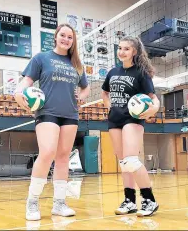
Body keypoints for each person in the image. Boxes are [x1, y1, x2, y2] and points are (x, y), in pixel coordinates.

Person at [14, 23, 90, 221]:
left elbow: (85, 89)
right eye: (63, 35)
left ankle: (59, 203)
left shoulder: (77, 65)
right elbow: (26, 81)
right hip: (47, 111)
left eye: (70, 37)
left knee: (64, 157)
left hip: (71, 114)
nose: (66, 39)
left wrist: (81, 96)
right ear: (55, 37)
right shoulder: (42, 58)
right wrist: (17, 92)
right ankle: (32, 202)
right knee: (47, 152)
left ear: (73, 41)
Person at [101, 36, 160, 217]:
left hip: (132, 118)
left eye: (126, 49)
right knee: (123, 163)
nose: (122, 51)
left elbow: (153, 98)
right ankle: (129, 201)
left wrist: (154, 109)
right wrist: (109, 106)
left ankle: (149, 199)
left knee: (131, 160)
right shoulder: (112, 72)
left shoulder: (141, 73)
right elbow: (105, 92)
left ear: (134, 52)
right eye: (120, 48)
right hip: (115, 119)